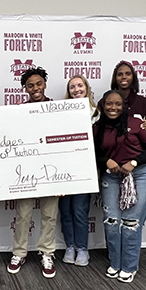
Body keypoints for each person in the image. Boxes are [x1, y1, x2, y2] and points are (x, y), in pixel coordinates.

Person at [94, 90, 146, 283]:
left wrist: (134, 163)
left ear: (124, 106)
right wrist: (106, 161)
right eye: (109, 104)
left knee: (131, 224)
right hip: (112, 177)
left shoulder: (136, 123)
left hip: (140, 175)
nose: (113, 108)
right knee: (111, 221)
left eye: (118, 104)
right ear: (103, 106)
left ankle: (130, 266)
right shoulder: (97, 128)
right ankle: (115, 262)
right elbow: (94, 155)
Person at [6, 67, 59, 278]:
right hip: (26, 171)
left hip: (52, 170)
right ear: (24, 89)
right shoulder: (19, 110)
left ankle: (47, 252)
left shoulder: (57, 108)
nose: (35, 88)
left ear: (45, 84)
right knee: (23, 214)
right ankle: (19, 253)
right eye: (30, 85)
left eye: (38, 84)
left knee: (49, 214)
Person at [58, 75, 99, 267]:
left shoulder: (97, 113)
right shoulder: (62, 113)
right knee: (65, 211)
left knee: (80, 211)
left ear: (87, 87)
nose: (76, 89)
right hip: (64, 170)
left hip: (85, 171)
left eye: (79, 85)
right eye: (72, 87)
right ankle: (70, 246)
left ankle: (82, 248)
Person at [99, 60, 146, 130]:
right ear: (115, 78)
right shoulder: (104, 102)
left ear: (133, 77)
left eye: (128, 74)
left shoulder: (144, 103)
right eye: (120, 74)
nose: (124, 77)